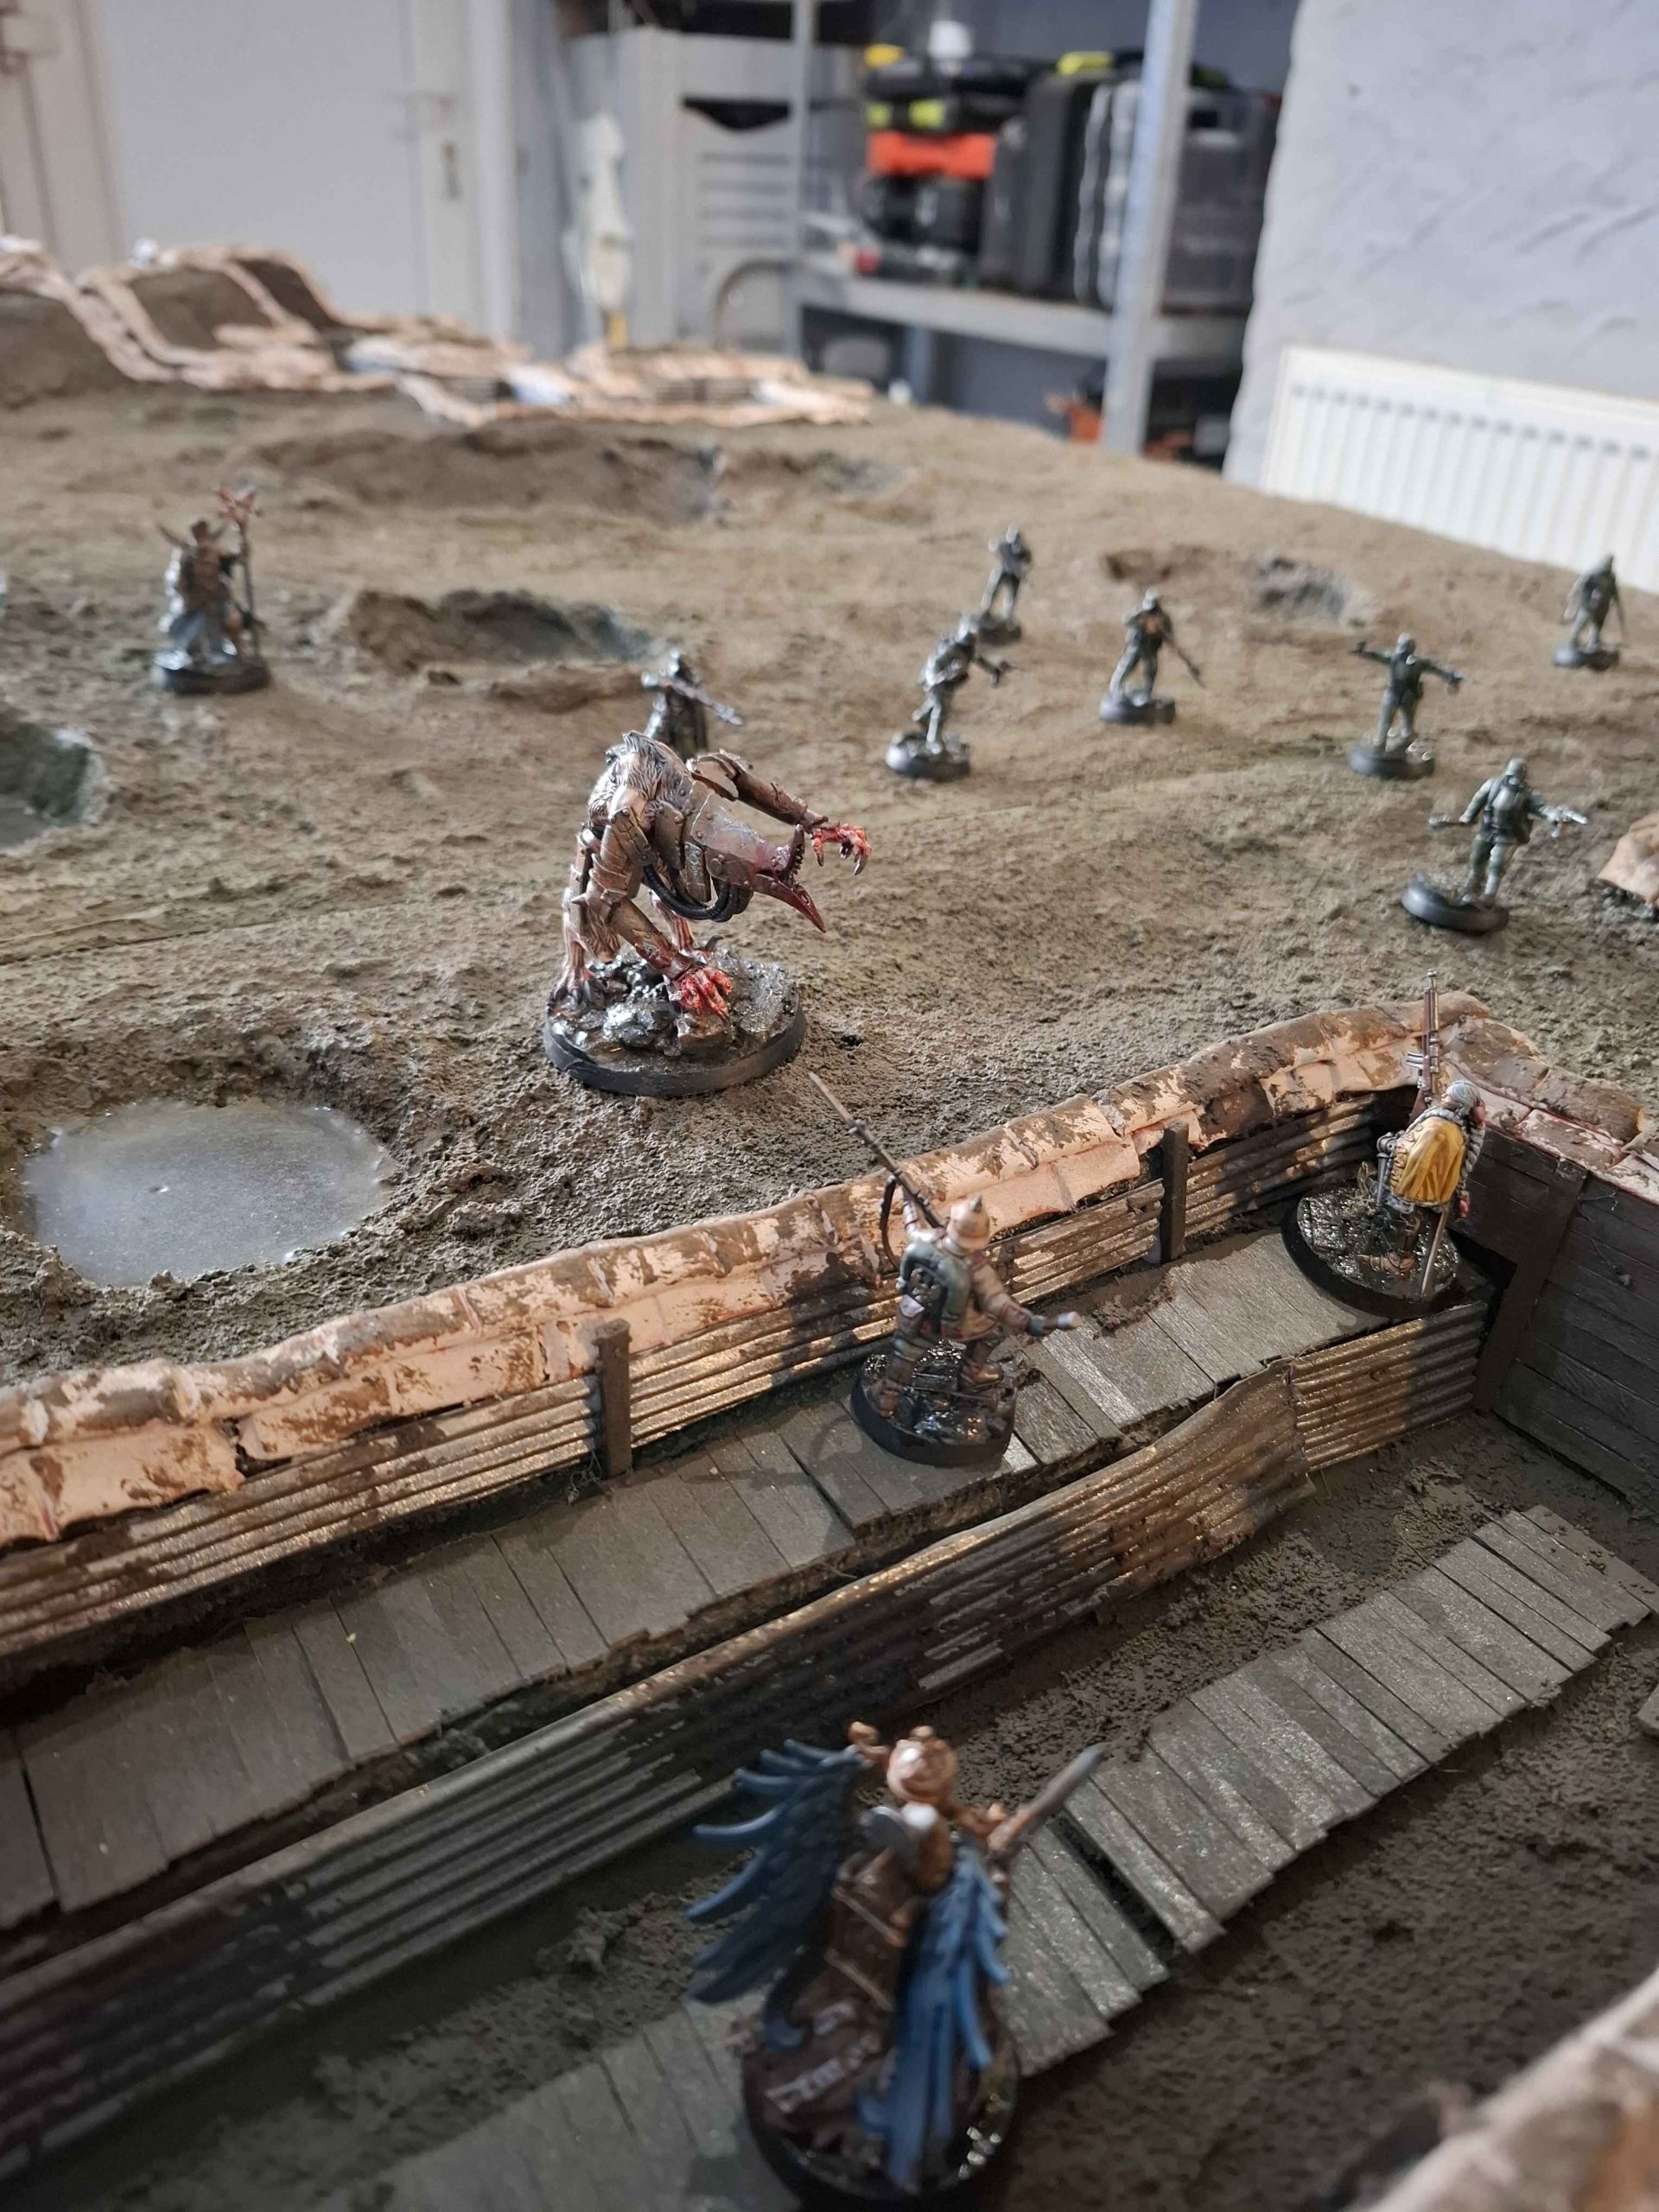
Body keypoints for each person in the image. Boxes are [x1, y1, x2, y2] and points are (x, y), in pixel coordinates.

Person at [1353, 632, 1461, 754]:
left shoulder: (1411, 661)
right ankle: (1382, 747)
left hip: (1406, 697)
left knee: (1405, 728)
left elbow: (1436, 669)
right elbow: (1376, 655)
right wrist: (1363, 651)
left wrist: (1450, 676)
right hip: (1396, 695)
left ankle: (1399, 749)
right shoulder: (1399, 659)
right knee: (1387, 724)